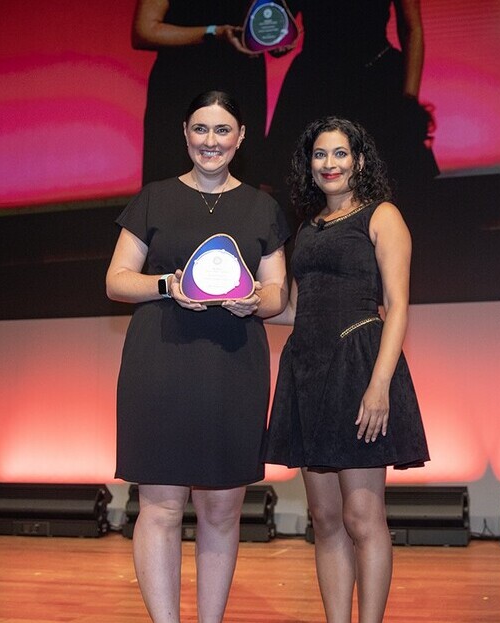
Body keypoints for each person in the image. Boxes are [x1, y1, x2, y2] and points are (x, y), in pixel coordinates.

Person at [106, 90, 289, 623]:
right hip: (161, 361)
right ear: (185, 133)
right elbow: (116, 280)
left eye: (223, 130)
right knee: (160, 505)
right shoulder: (154, 198)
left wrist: (257, 299)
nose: (211, 141)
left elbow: (279, 293)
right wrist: (168, 283)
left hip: (233, 365)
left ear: (241, 138)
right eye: (201, 130)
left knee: (221, 508)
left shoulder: (262, 206)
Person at [263, 117, 429, 623]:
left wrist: (379, 385)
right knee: (326, 518)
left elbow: (398, 306)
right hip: (307, 372)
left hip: (358, 370)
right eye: (319, 155)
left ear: (359, 161)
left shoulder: (382, 217)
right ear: (308, 166)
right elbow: (292, 307)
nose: (329, 164)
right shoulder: (306, 230)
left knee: (362, 518)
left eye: (339, 154)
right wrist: (242, 298)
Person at [262, 0, 437, 201]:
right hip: (315, 85)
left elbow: (411, 29)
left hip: (376, 84)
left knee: (390, 190)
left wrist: (409, 101)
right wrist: (274, 37)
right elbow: (277, 28)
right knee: (305, 194)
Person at [133, 0, 268, 187]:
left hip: (241, 80)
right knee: (173, 180)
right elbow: (144, 31)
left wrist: (275, 38)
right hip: (184, 83)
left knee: (239, 181)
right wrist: (214, 32)